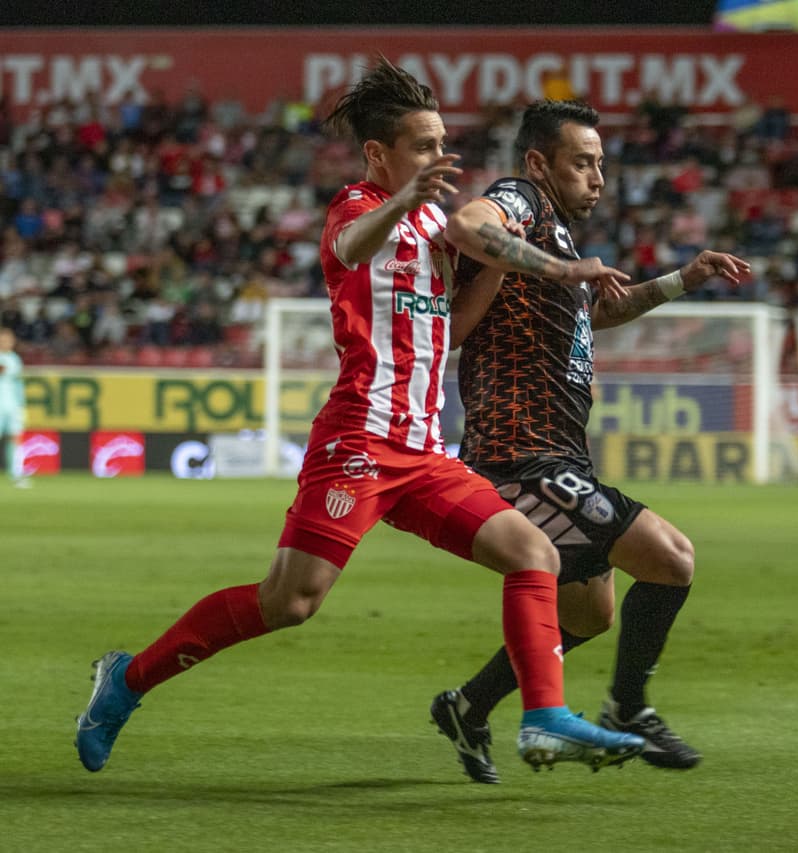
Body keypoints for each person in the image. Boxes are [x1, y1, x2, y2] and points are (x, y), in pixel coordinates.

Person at [75, 60, 643, 774]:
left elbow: (456, 327)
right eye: (423, 146)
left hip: (425, 452)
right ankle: (125, 680)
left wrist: (507, 265)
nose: (440, 159)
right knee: (290, 601)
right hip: (360, 441)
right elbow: (350, 248)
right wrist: (403, 200)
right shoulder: (357, 207)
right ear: (381, 155)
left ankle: (543, 714)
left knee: (535, 553)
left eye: (443, 144)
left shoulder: (441, 224)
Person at [431, 99, 749, 783]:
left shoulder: (560, 240)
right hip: (517, 454)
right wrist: (559, 268)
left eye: (601, 163)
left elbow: (596, 313)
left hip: (556, 452)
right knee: (670, 556)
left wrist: (679, 280)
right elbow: (467, 224)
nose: (598, 177)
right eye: (583, 162)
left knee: (591, 613)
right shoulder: (520, 200)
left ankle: (467, 705)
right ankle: (628, 706)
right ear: (540, 163)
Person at [0, 327, 30, 488]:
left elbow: (19, 383)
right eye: (2, 339)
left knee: (15, 438)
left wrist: (21, 405)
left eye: (8, 340)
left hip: (13, 406)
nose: (5, 342)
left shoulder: (15, 359)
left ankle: (16, 474)